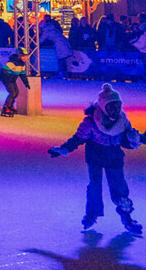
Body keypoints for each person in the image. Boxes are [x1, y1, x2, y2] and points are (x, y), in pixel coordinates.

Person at [49, 84, 143, 234]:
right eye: (111, 106)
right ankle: (92, 214)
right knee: (95, 186)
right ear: (104, 106)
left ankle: (127, 218)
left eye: (118, 105)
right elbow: (78, 138)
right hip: (96, 157)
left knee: (120, 188)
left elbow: (125, 140)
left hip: (114, 157)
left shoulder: (123, 120)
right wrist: (64, 149)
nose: (116, 110)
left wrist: (136, 139)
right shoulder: (91, 122)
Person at [0, 48, 31, 117]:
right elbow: (3, 70)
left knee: (16, 92)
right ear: (19, 56)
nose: (25, 58)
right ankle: (6, 108)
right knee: (12, 92)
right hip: (6, 79)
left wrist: (26, 83)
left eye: (26, 56)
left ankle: (10, 106)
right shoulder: (13, 62)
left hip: (12, 79)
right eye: (23, 56)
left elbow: (22, 74)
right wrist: (8, 76)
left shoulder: (22, 64)